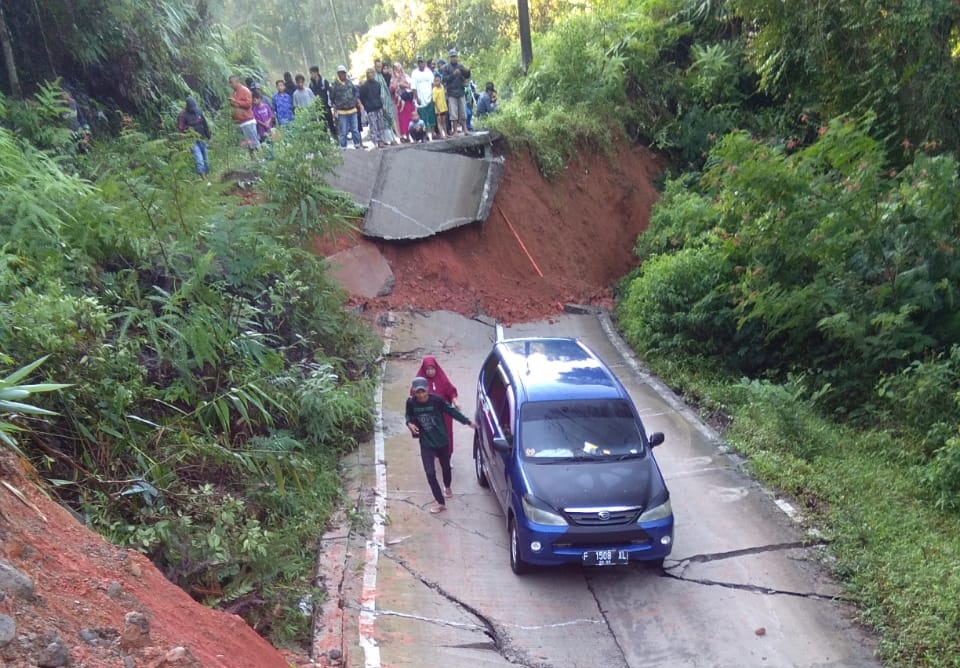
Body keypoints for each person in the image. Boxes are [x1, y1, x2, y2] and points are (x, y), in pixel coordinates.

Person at [405, 376, 476, 514]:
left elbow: (452, 411)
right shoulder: (411, 402)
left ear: (427, 390)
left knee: (445, 468)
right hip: (426, 442)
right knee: (430, 473)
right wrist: (409, 424)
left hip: (442, 440)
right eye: (417, 392)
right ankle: (440, 502)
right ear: (414, 392)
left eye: (422, 391)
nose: (420, 395)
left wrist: (468, 422)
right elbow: (408, 415)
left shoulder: (436, 401)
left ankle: (447, 486)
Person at [414, 356, 461, 454]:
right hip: (428, 415)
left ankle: (447, 456)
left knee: (446, 434)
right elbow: (413, 396)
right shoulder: (420, 381)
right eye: (428, 369)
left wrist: (456, 402)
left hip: (444, 415)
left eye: (432, 369)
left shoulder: (442, 379)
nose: (430, 371)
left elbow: (451, 391)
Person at [177, 96, 210, 177]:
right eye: (192, 107)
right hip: (191, 141)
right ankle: (203, 177)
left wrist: (209, 137)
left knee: (206, 159)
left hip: (201, 138)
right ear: (187, 106)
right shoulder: (182, 115)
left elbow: (204, 124)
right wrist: (185, 145)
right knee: (199, 159)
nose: (193, 109)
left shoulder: (198, 111)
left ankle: (206, 175)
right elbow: (180, 130)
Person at [330, 65, 362, 149]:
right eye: (341, 73)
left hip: (352, 110)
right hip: (342, 112)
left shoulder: (349, 82)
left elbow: (356, 92)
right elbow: (332, 97)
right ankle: (343, 146)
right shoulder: (334, 85)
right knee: (343, 131)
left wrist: (355, 100)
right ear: (338, 74)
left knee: (355, 129)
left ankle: (357, 144)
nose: (342, 75)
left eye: (344, 73)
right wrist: (335, 107)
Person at [228, 75, 260, 156]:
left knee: (255, 142)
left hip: (248, 121)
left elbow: (248, 104)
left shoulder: (245, 90)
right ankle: (253, 160)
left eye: (231, 82)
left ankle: (261, 159)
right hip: (240, 122)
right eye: (229, 83)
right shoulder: (234, 93)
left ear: (237, 82)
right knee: (248, 144)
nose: (230, 85)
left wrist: (236, 102)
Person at [442, 49, 471, 135]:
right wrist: (454, 74)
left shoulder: (460, 66)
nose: (454, 58)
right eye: (452, 57)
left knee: (463, 111)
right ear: (449, 58)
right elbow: (444, 79)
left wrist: (468, 71)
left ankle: (465, 129)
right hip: (451, 93)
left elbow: (466, 76)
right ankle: (455, 131)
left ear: (457, 57)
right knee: (453, 113)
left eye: (455, 56)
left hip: (461, 91)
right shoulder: (446, 68)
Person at [358, 68, 386, 147]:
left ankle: (381, 140)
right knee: (373, 125)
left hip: (378, 106)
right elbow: (362, 97)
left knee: (380, 125)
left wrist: (382, 105)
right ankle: (375, 142)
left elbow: (379, 95)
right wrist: (366, 106)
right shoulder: (364, 86)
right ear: (367, 75)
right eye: (368, 74)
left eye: (371, 73)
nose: (370, 75)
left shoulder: (377, 84)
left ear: (373, 74)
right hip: (370, 109)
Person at [410, 56, 436, 140]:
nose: (421, 64)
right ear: (418, 63)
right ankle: (424, 135)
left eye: (422, 62)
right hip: (420, 99)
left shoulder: (429, 72)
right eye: (419, 62)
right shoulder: (414, 73)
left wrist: (433, 95)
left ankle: (433, 133)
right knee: (422, 119)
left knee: (431, 117)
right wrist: (416, 97)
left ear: (424, 63)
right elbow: (413, 87)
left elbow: (432, 84)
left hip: (429, 97)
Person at [309, 65, 337, 138]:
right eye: (310, 73)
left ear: (316, 73)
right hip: (318, 108)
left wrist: (331, 103)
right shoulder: (311, 84)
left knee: (331, 124)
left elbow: (330, 92)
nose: (311, 75)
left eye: (312, 73)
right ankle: (326, 142)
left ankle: (336, 140)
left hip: (326, 106)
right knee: (323, 125)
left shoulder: (324, 81)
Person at [432, 73, 448, 139]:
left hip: (443, 107)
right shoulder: (434, 89)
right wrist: (437, 109)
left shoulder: (442, 86)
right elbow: (434, 100)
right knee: (439, 122)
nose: (436, 82)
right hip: (438, 108)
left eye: (438, 80)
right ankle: (441, 135)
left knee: (444, 121)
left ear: (440, 81)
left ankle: (446, 134)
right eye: (435, 81)